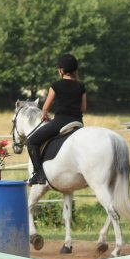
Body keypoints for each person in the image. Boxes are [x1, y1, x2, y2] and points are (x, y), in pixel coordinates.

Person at [26, 53, 87, 185]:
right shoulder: (81, 86)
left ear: (61, 70)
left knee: (31, 142)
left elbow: (45, 108)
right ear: (75, 70)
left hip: (60, 123)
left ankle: (39, 175)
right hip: (78, 123)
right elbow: (83, 108)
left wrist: (45, 115)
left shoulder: (56, 85)